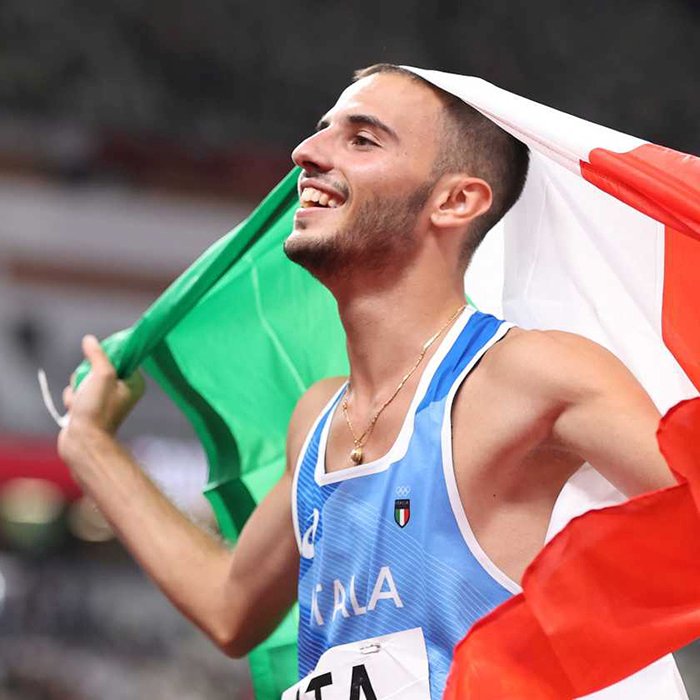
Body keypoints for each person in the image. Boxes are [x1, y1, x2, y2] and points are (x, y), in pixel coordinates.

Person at [59, 64, 680, 698]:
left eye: (362, 139)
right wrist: (89, 444)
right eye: (322, 129)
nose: (306, 152)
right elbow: (229, 607)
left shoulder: (530, 376)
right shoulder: (318, 420)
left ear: (455, 201)